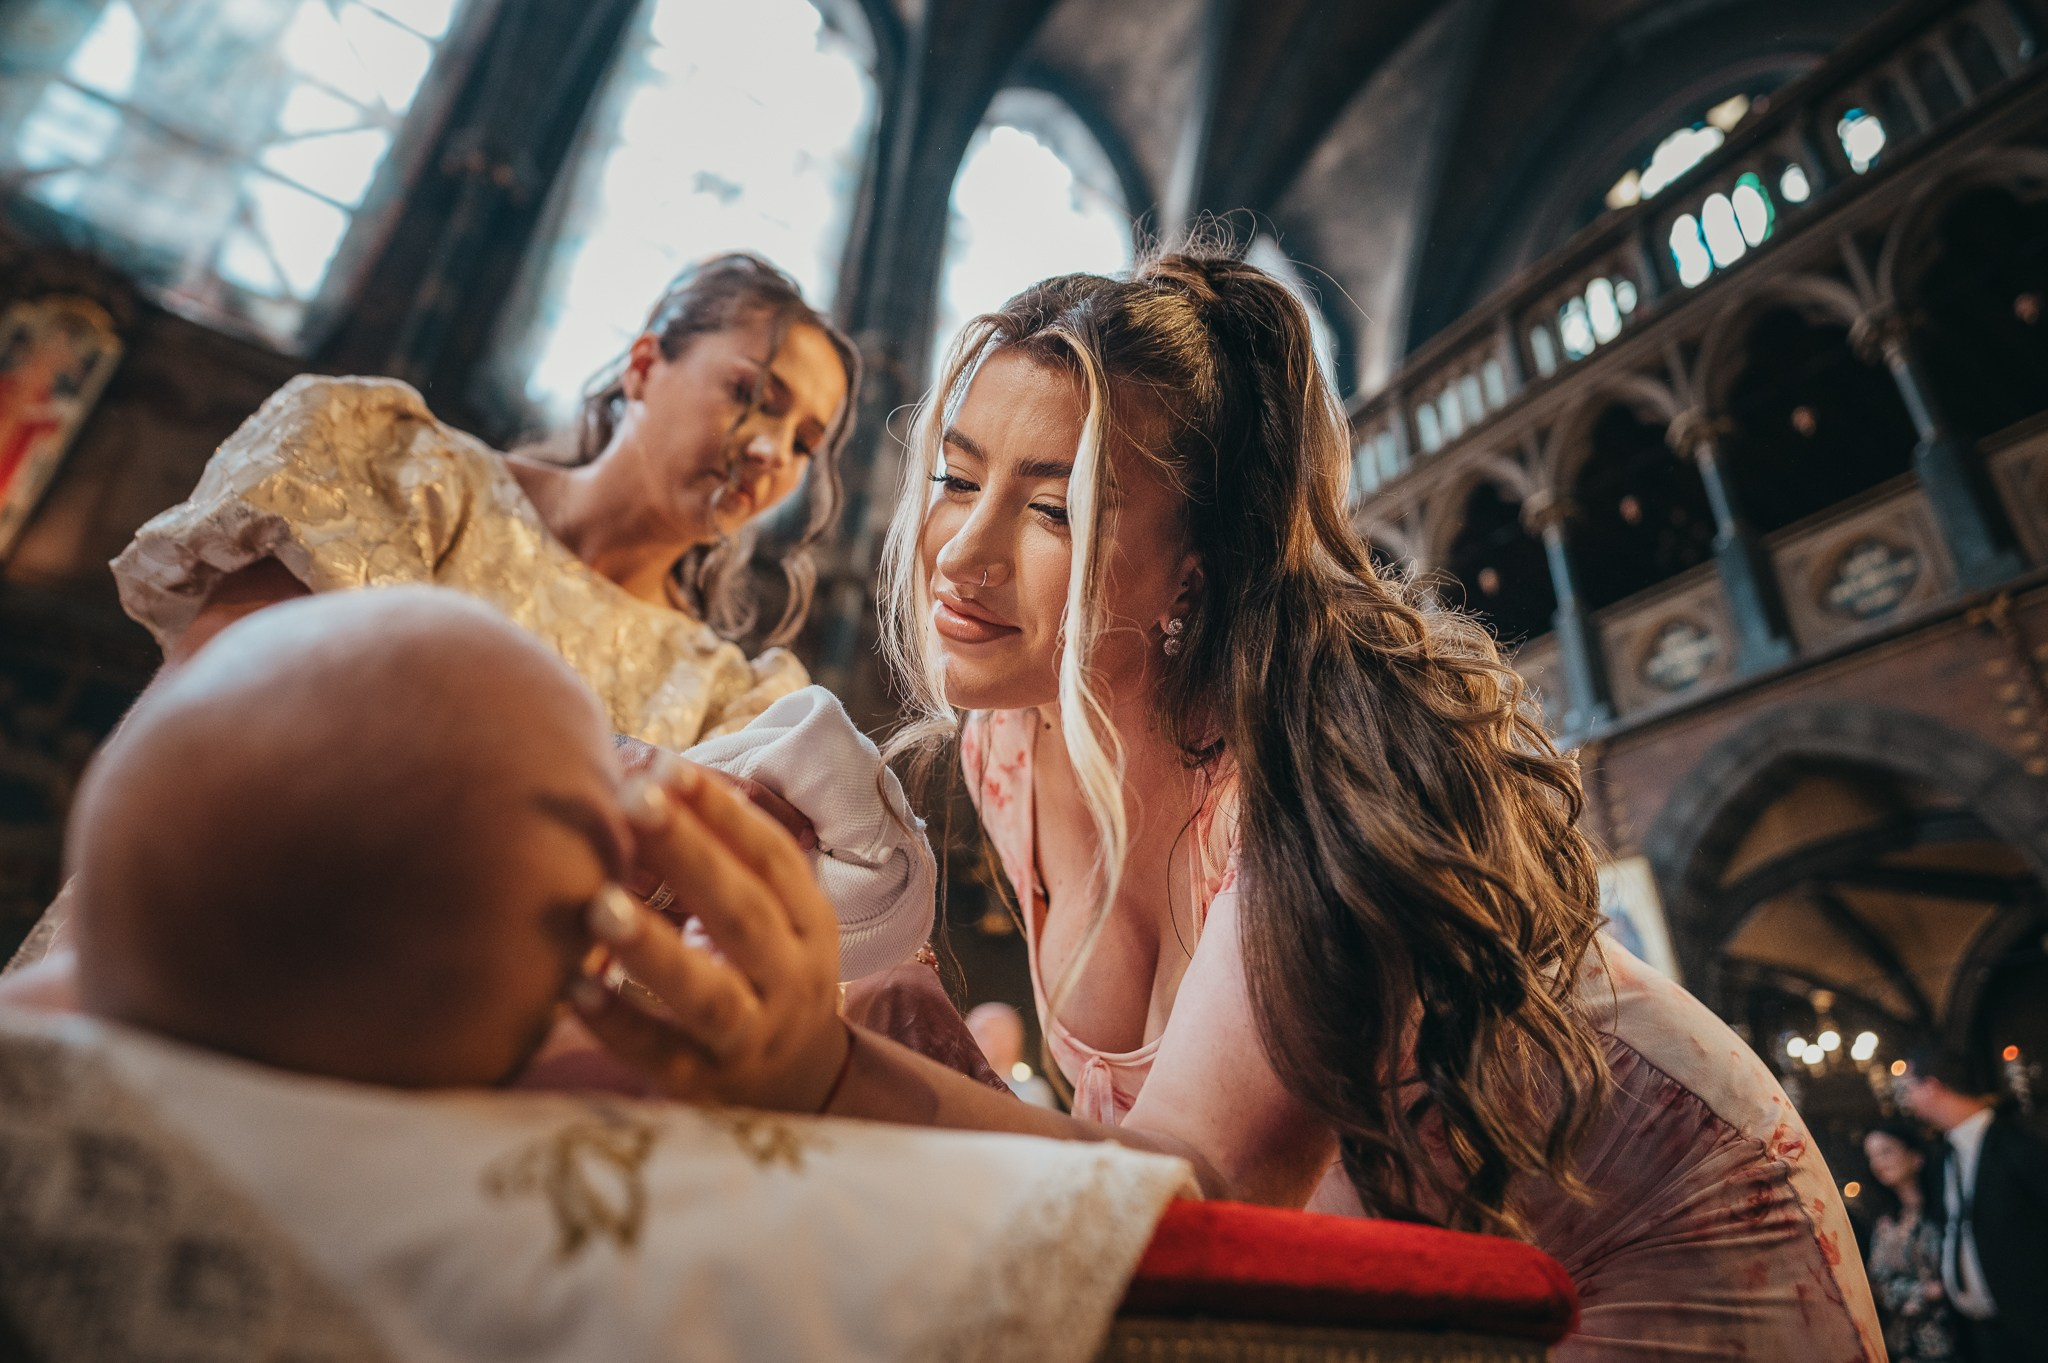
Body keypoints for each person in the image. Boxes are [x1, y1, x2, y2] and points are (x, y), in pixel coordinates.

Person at [563, 245, 1886, 1361]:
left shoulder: (1316, 764)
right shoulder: (1008, 748)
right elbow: (1104, 1149)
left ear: (1192, 564)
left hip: (1651, 1246)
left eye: (1058, 508)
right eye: (959, 477)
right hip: (1393, 1265)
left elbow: (1193, 1185)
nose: (961, 550)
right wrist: (873, 985)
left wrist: (815, 1058)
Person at [0, 588, 1192, 1363]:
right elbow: (1159, 1195)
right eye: (606, 769)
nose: (657, 790)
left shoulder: (97, 1007)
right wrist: (814, 1069)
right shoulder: (606, 1096)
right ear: (564, 970)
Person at [5, 252, 860, 973]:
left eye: (805, 443)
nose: (769, 452)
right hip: (199, 927)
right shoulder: (394, 467)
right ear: (644, 365)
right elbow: (213, 722)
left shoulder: (733, 697)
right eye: (755, 394)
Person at [1899, 1047, 2048, 1362]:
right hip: (1978, 1338)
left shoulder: (2018, 1142)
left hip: (2032, 1330)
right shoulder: (1943, 1157)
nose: (1906, 1097)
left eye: (1910, 1086)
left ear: (1932, 1086)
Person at [1864, 1117, 1960, 1361]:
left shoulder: (1946, 1211)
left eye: (1885, 1152)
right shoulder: (1885, 1223)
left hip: (1955, 1340)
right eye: (1871, 1157)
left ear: (1915, 1156)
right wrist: (1925, 1292)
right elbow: (1876, 1283)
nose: (1878, 1164)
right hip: (1903, 1347)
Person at [967, 1001, 1059, 1108]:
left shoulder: (1032, 1091)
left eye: (981, 1033)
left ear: (1008, 1042)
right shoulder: (966, 1087)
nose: (970, 1040)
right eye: (968, 1033)